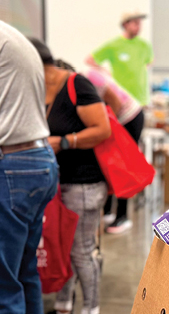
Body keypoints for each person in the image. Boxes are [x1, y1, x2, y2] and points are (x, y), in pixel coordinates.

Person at [30, 39, 111, 314]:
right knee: (62, 246)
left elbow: (102, 129)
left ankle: (91, 308)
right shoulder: (41, 90)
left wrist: (64, 142)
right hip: (59, 184)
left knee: (81, 250)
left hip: (85, 185)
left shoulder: (77, 84)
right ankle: (64, 306)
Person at [0, 22, 59, 314]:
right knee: (25, 272)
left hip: (12, 165)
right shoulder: (13, 35)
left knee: (3, 284)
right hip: (40, 159)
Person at [84, 66, 144, 234]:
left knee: (122, 166)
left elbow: (116, 102)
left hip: (130, 118)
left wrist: (108, 127)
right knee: (109, 163)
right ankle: (109, 211)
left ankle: (123, 216)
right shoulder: (86, 77)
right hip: (122, 118)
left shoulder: (90, 80)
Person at [86, 12, 153, 107]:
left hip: (142, 100)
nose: (139, 27)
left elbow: (149, 62)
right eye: (135, 23)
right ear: (126, 24)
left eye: (140, 24)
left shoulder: (145, 45)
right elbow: (90, 59)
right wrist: (104, 70)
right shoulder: (114, 45)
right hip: (122, 99)